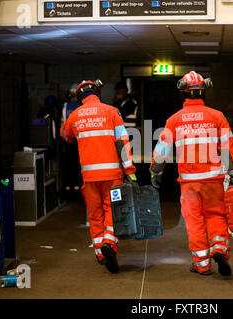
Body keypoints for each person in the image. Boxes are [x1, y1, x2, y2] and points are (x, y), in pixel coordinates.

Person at [149, 71, 233, 277]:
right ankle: (219, 249)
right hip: (214, 179)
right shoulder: (217, 116)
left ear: (183, 93)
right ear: (204, 92)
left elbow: (162, 150)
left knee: (195, 221)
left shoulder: (174, 120)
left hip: (189, 183)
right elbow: (228, 148)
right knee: (216, 216)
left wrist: (156, 172)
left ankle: (202, 264)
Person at [61, 79, 137, 273]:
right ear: (98, 93)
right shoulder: (112, 111)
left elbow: (65, 135)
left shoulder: (75, 115)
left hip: (89, 177)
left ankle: (100, 253)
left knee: (95, 214)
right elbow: (122, 142)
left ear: (80, 97)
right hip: (112, 176)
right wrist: (129, 170)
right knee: (113, 211)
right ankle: (109, 243)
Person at [61, 85, 82, 195]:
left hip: (68, 140)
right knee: (79, 165)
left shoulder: (65, 106)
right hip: (81, 141)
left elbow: (62, 124)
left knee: (69, 164)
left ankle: (69, 186)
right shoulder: (81, 105)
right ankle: (78, 185)